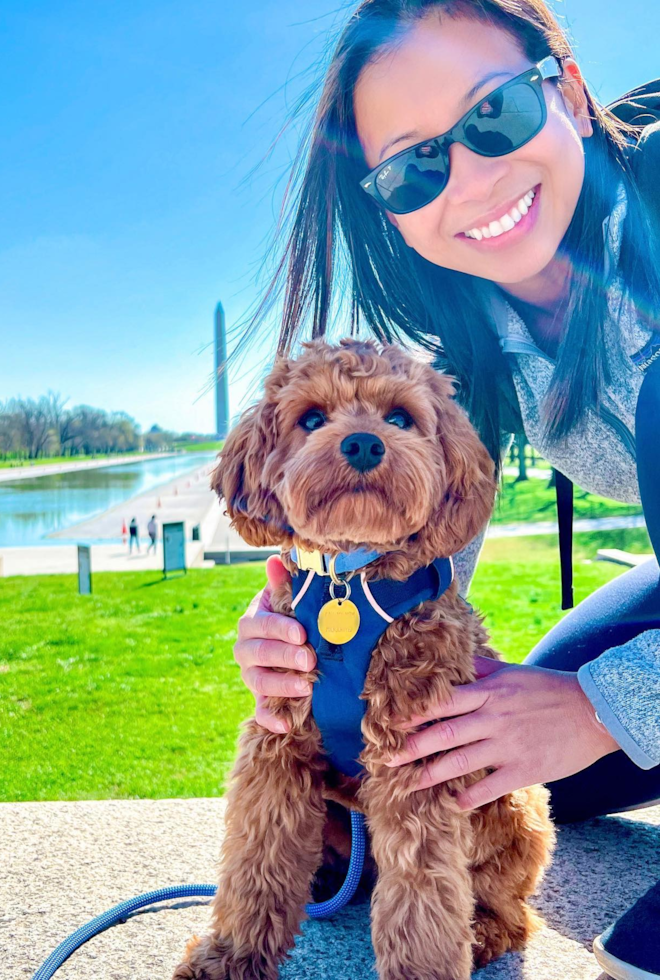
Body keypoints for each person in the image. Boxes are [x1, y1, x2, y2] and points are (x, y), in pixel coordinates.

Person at [231, 3, 660, 978]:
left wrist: (602, 704)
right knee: (482, 738)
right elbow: (415, 572)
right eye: (413, 167)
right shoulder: (473, 338)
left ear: (573, 92)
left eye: (495, 115)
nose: (467, 178)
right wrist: (310, 642)